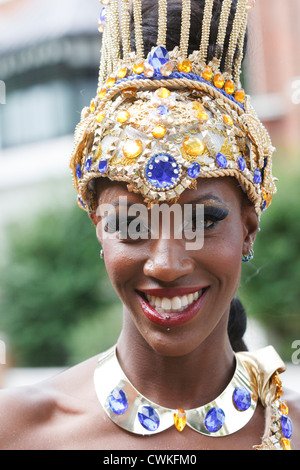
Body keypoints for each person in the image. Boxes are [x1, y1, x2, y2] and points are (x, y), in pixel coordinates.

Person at [0, 0, 299, 451]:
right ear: (100, 230)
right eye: (131, 224)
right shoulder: (19, 432)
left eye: (203, 219)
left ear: (249, 229)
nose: (165, 264)